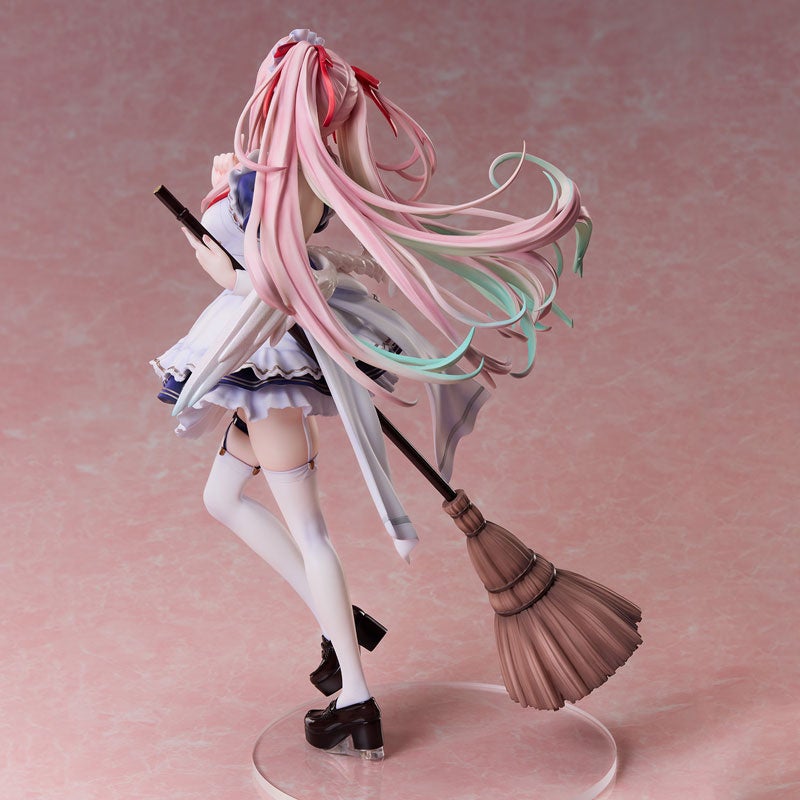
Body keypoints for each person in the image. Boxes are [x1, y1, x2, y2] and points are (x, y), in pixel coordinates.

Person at [152, 28, 591, 758]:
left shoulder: (286, 182)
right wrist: (237, 196)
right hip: (261, 371)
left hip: (269, 376)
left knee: (311, 534)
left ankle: (355, 696)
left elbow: (274, 283)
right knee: (221, 497)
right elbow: (290, 259)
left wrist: (216, 261)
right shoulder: (291, 174)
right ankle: (340, 621)